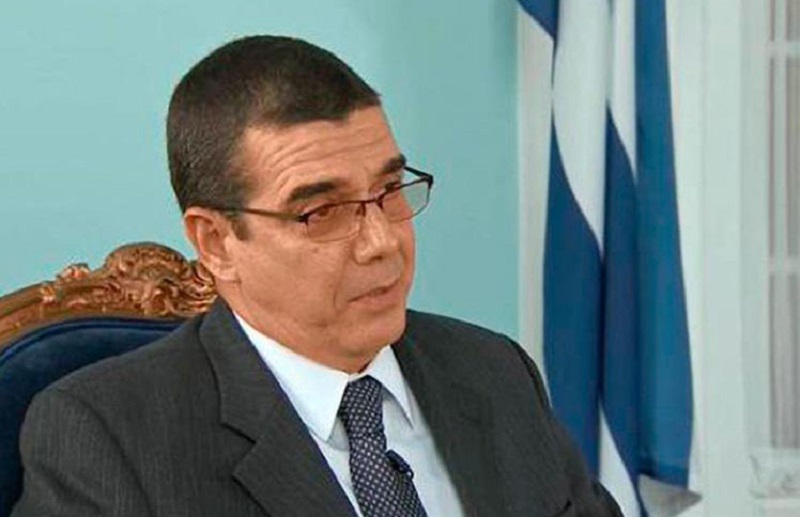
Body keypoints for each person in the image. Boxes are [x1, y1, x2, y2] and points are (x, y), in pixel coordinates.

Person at [12, 35, 621, 517]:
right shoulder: (109, 437)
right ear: (216, 243)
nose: (382, 242)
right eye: (322, 212)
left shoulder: (493, 371)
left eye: (390, 190)